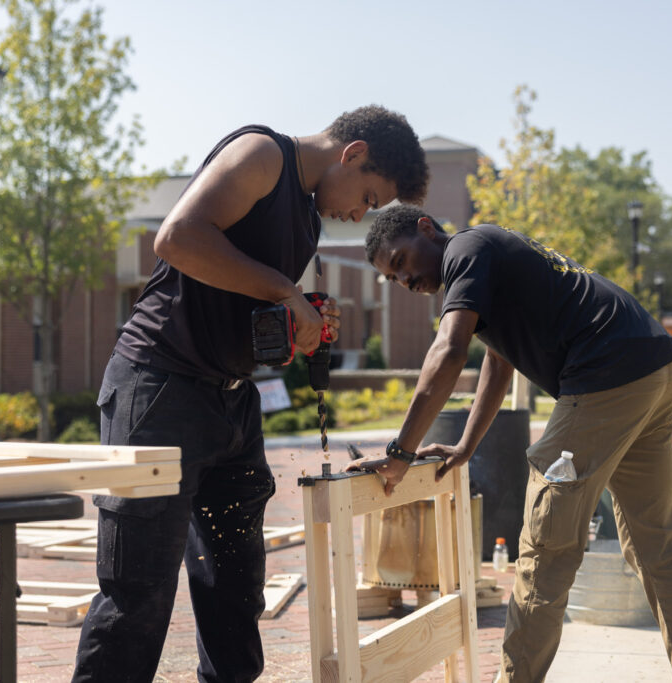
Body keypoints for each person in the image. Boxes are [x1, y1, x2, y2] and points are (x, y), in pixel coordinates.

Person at [72, 107, 428, 682]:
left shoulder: (307, 224)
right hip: (159, 388)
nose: (359, 214)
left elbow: (245, 303)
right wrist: (285, 290)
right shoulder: (262, 156)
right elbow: (176, 239)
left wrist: (299, 320)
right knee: (137, 591)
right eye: (367, 196)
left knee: (234, 585)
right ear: (353, 153)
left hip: (233, 402)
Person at [347, 205, 672, 682]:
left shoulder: (466, 249)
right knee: (658, 552)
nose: (404, 280)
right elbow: (497, 363)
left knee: (545, 550)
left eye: (401, 262)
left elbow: (449, 351)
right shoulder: (488, 258)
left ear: (426, 228)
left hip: (606, 374)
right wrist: (465, 445)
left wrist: (400, 453)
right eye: (392, 278)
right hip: (654, 367)